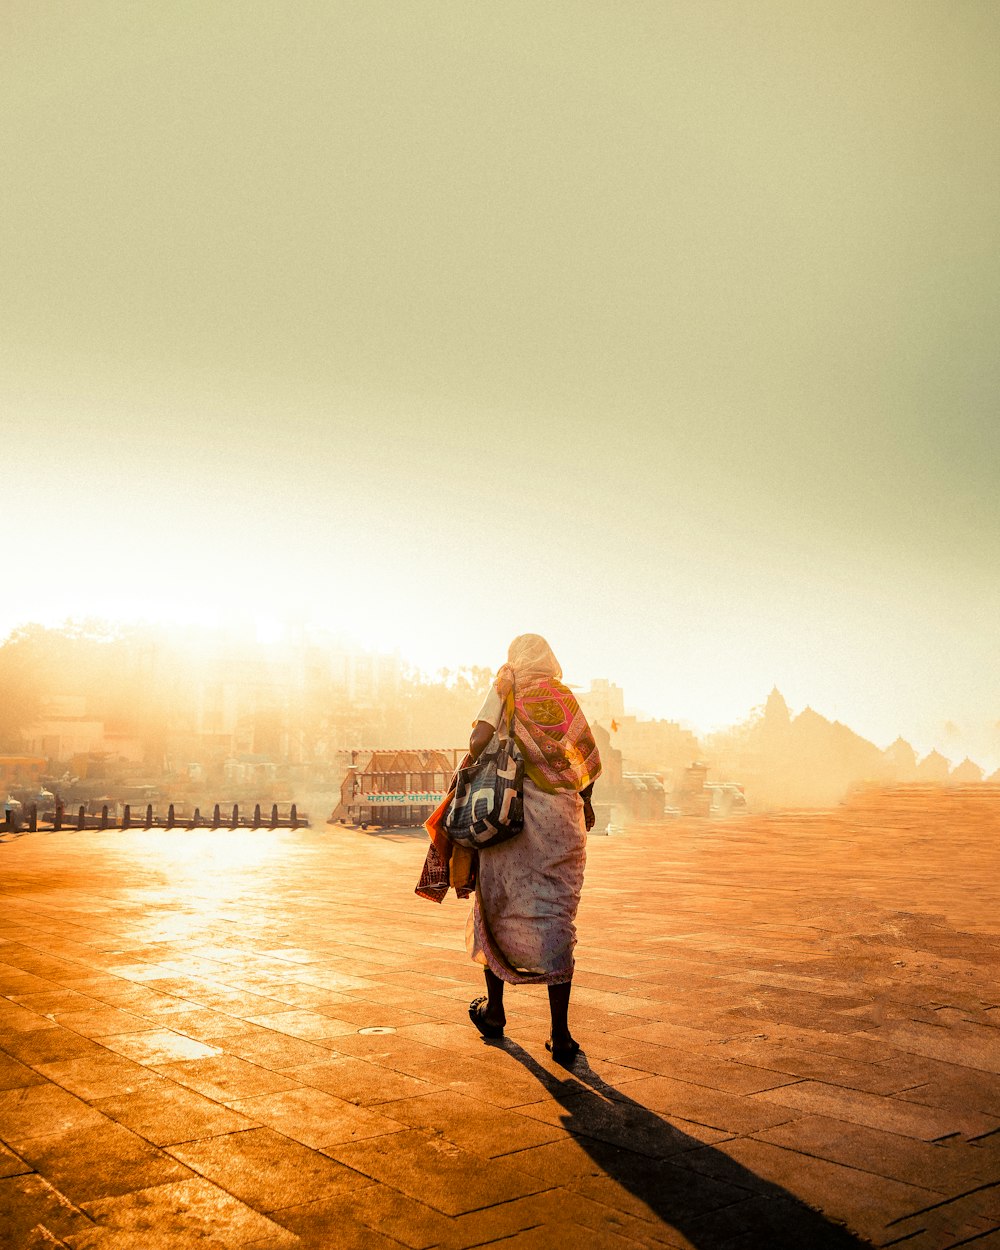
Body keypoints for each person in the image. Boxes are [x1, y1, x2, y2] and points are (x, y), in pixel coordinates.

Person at [465, 634, 601, 1063]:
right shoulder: (563, 698)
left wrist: (498, 693)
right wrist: (587, 804)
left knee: (498, 907)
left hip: (511, 820)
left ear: (515, 659)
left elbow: (476, 742)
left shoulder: (508, 688)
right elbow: (588, 759)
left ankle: (496, 1013)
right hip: (562, 822)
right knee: (557, 915)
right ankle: (560, 1036)